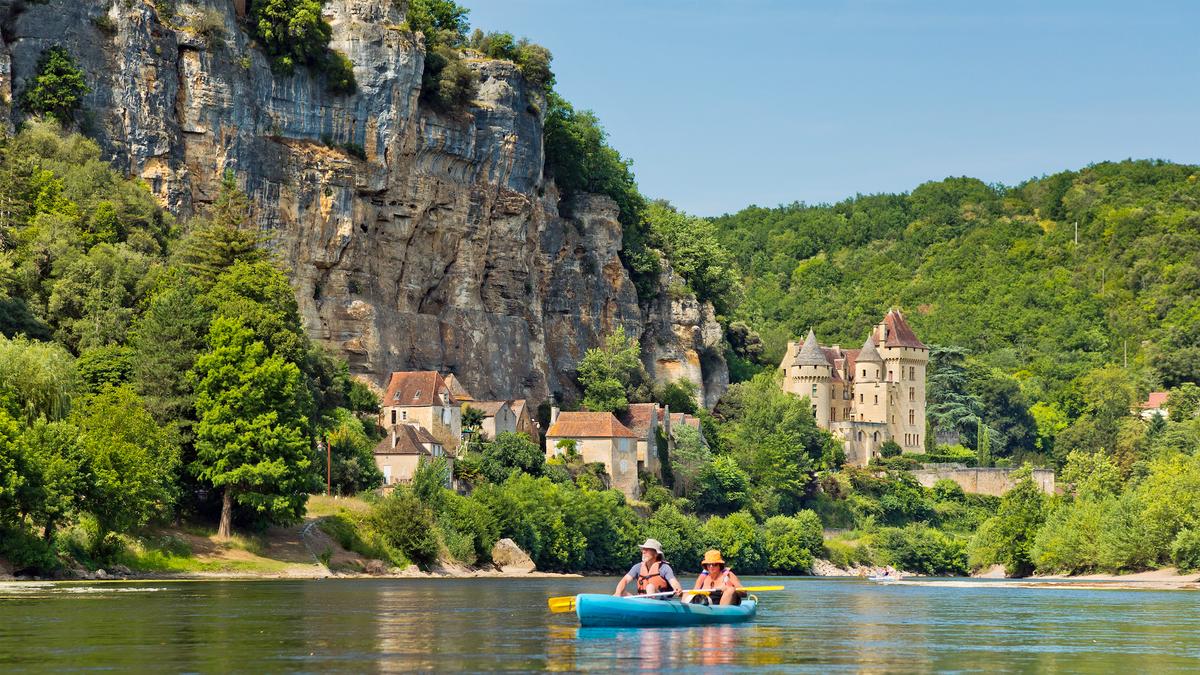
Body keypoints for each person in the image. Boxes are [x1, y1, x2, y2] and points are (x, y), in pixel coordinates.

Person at [613, 539, 683, 599]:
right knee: (621, 591)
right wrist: (618, 593)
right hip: (641, 601)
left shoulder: (664, 568)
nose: (643, 552)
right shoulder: (638, 567)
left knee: (650, 587)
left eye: (647, 549)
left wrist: (677, 589)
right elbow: (624, 580)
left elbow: (673, 582)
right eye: (643, 549)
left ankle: (649, 609)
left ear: (656, 554)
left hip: (661, 601)